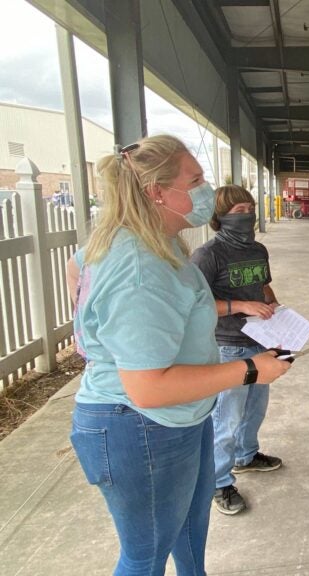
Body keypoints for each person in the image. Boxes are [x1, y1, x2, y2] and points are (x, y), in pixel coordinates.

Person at [65, 134, 291, 576]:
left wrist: (97, 329)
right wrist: (249, 370)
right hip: (138, 424)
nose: (206, 189)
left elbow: (77, 267)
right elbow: (148, 387)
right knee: (145, 554)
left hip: (181, 418)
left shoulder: (155, 241)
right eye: (196, 179)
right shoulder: (137, 265)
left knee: (188, 528)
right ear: (157, 192)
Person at [190, 185, 283, 515]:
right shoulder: (207, 256)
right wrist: (242, 305)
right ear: (221, 217)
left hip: (260, 340)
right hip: (228, 344)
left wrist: (276, 309)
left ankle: (247, 455)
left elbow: (264, 285)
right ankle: (219, 482)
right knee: (226, 418)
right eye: (239, 211)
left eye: (251, 209)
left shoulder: (258, 249)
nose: (248, 216)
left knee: (255, 407)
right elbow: (196, 305)